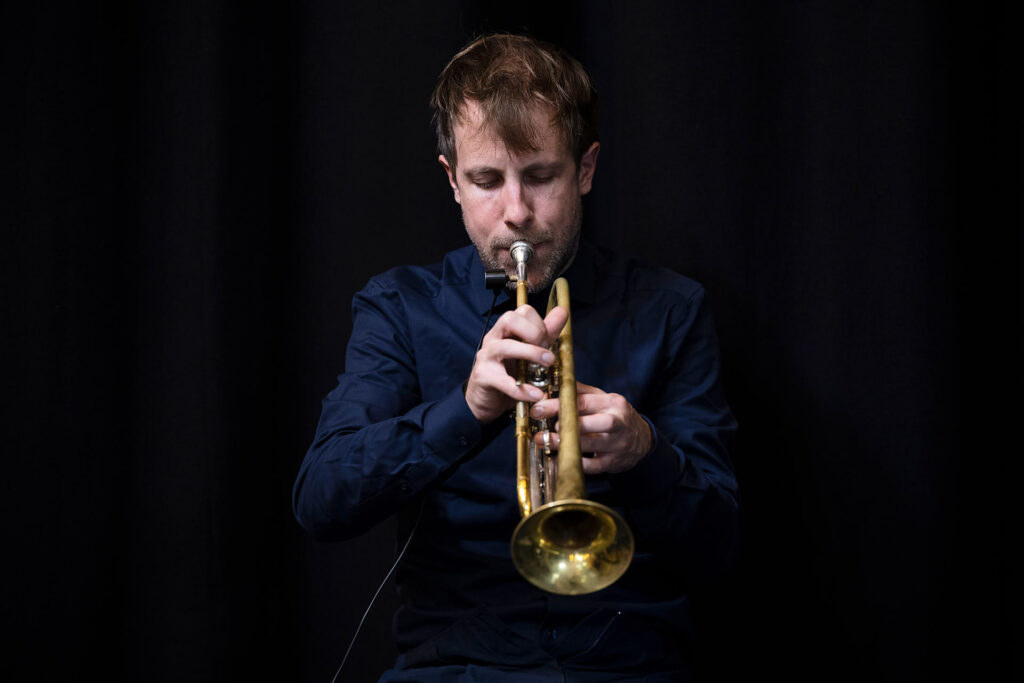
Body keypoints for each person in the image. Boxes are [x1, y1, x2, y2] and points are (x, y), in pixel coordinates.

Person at [293, 33, 738, 682]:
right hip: (456, 665)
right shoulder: (400, 306)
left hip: (627, 665)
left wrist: (646, 452)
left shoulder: (671, 308)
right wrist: (466, 410)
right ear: (452, 180)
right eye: (486, 180)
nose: (517, 214)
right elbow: (321, 500)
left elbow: (721, 544)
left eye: (540, 176)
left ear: (584, 170)